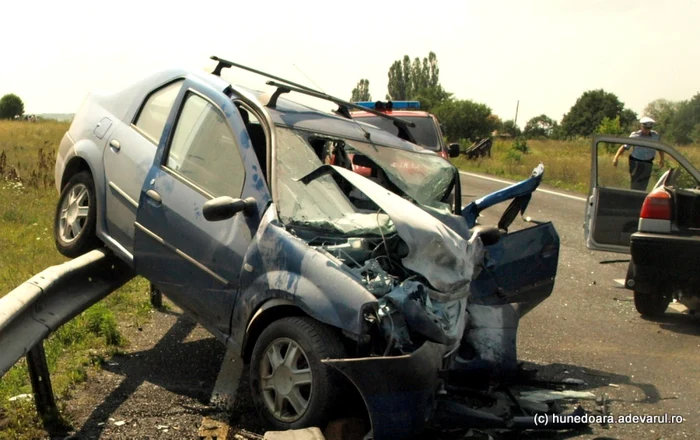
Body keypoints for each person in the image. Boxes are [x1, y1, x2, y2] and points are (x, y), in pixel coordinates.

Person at [613, 116, 665, 191]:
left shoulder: (655, 136)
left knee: (644, 182)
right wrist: (616, 157)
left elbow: (660, 148)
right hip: (636, 161)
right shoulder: (635, 136)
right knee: (635, 182)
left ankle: (641, 197)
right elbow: (624, 147)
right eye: (645, 128)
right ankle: (633, 196)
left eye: (649, 129)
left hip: (648, 162)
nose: (647, 131)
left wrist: (662, 159)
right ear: (641, 126)